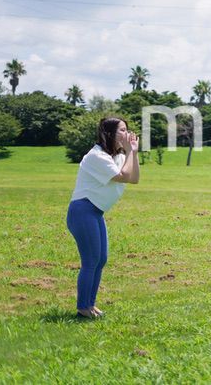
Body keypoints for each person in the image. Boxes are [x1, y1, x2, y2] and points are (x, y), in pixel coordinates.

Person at [67, 117, 139, 318]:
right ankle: (83, 307)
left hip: (95, 212)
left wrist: (133, 152)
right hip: (83, 211)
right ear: (109, 134)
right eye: (122, 130)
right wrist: (130, 151)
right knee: (90, 261)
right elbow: (123, 176)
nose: (127, 133)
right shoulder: (96, 156)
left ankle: (90, 304)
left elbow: (134, 178)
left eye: (127, 129)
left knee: (100, 260)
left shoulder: (115, 156)